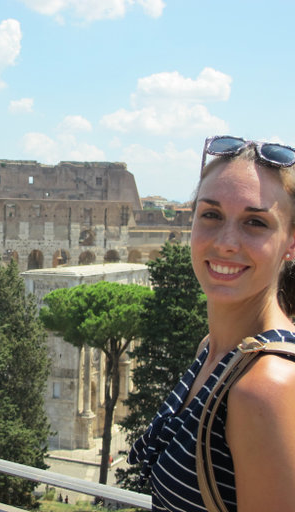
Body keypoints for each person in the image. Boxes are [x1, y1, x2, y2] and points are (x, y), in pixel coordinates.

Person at [129, 136, 295, 512]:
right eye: (211, 215)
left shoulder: (265, 387)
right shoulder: (214, 350)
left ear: (291, 243)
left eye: (255, 222)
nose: (226, 242)